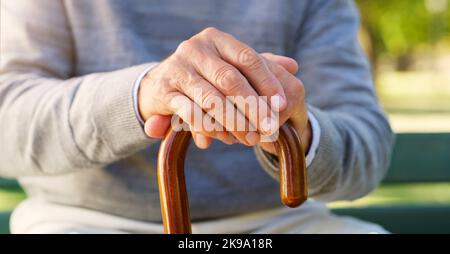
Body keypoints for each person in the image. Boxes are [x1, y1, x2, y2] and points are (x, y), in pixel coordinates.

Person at [0, 0, 394, 233]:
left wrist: (302, 133)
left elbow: (366, 141)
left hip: (279, 224)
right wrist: (143, 93)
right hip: (87, 221)